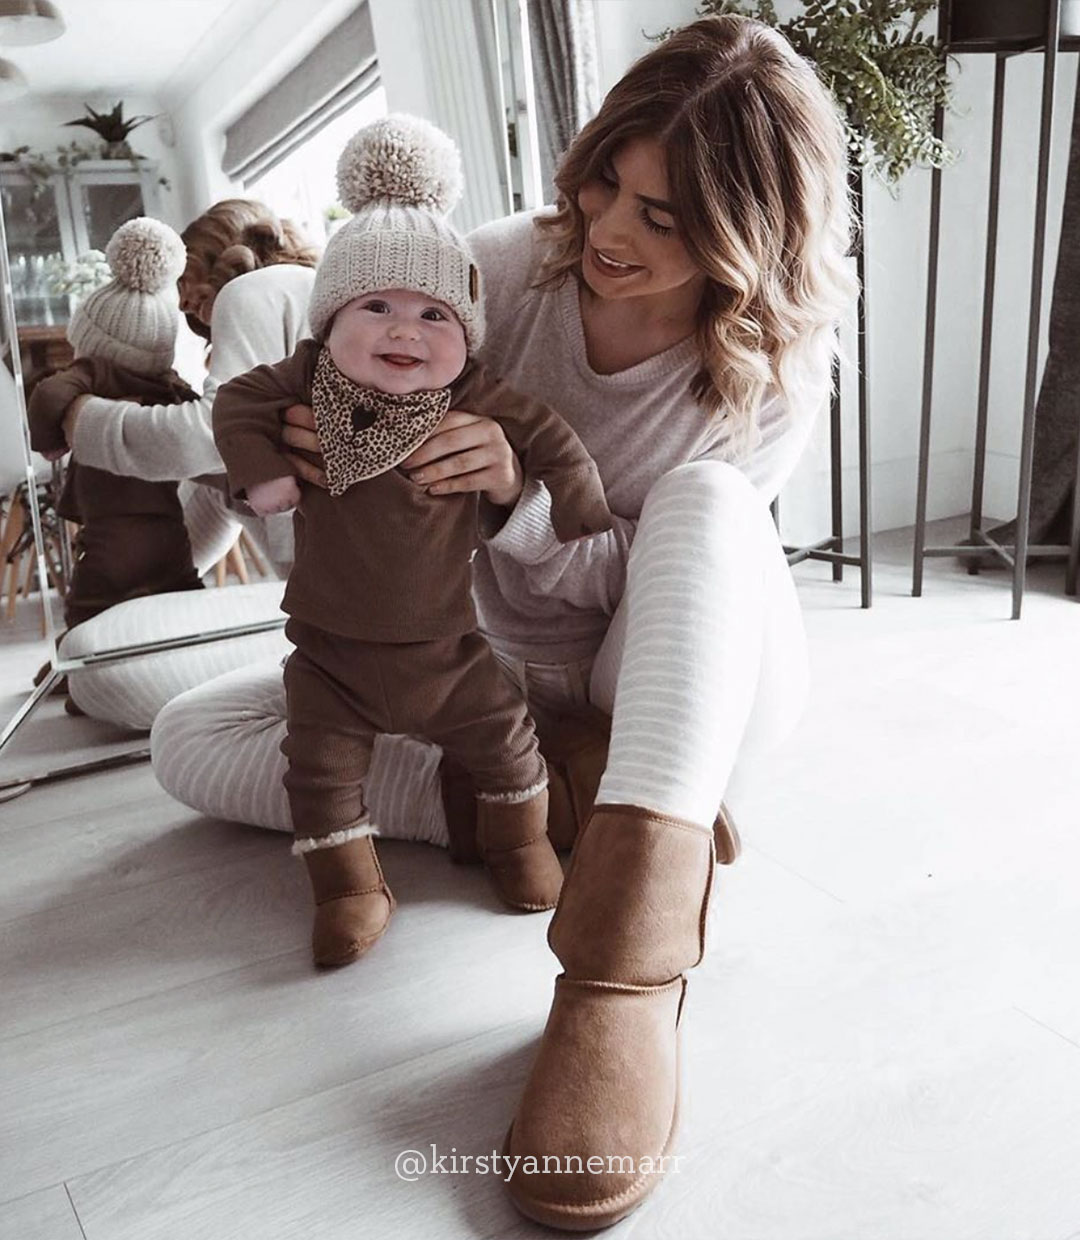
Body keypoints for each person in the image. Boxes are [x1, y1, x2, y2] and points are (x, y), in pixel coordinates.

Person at [153, 13, 854, 1228]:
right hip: (485, 678)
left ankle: (623, 969)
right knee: (187, 741)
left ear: (749, 237)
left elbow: (673, 569)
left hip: (667, 684)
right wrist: (307, 451)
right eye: (605, 185)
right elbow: (325, 444)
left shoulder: (770, 367)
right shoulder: (497, 271)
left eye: (665, 217)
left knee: (704, 503)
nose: (608, 232)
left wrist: (517, 502)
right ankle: (541, 799)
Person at [213, 114, 613, 965]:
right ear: (329, 321)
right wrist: (262, 474)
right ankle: (349, 886)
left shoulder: (474, 393)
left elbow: (553, 441)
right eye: (377, 307)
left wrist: (573, 504)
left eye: (434, 314)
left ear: (465, 335)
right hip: (328, 655)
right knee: (317, 771)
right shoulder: (306, 381)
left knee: (504, 741)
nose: (404, 331)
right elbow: (236, 401)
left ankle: (516, 843)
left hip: (450, 649)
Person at [54, 200, 319, 728]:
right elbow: (222, 481)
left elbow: (207, 441)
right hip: (325, 585)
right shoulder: (300, 297)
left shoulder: (253, 293)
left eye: (192, 296)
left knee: (107, 667)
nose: (190, 313)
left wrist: (79, 417)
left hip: (331, 593)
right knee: (100, 651)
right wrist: (151, 583)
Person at [28, 218, 203, 629]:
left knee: (88, 608)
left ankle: (75, 673)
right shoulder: (169, 384)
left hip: (110, 535)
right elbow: (197, 421)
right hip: (167, 528)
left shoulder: (92, 372)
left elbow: (47, 396)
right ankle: (185, 648)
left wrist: (50, 439)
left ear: (90, 338)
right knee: (180, 591)